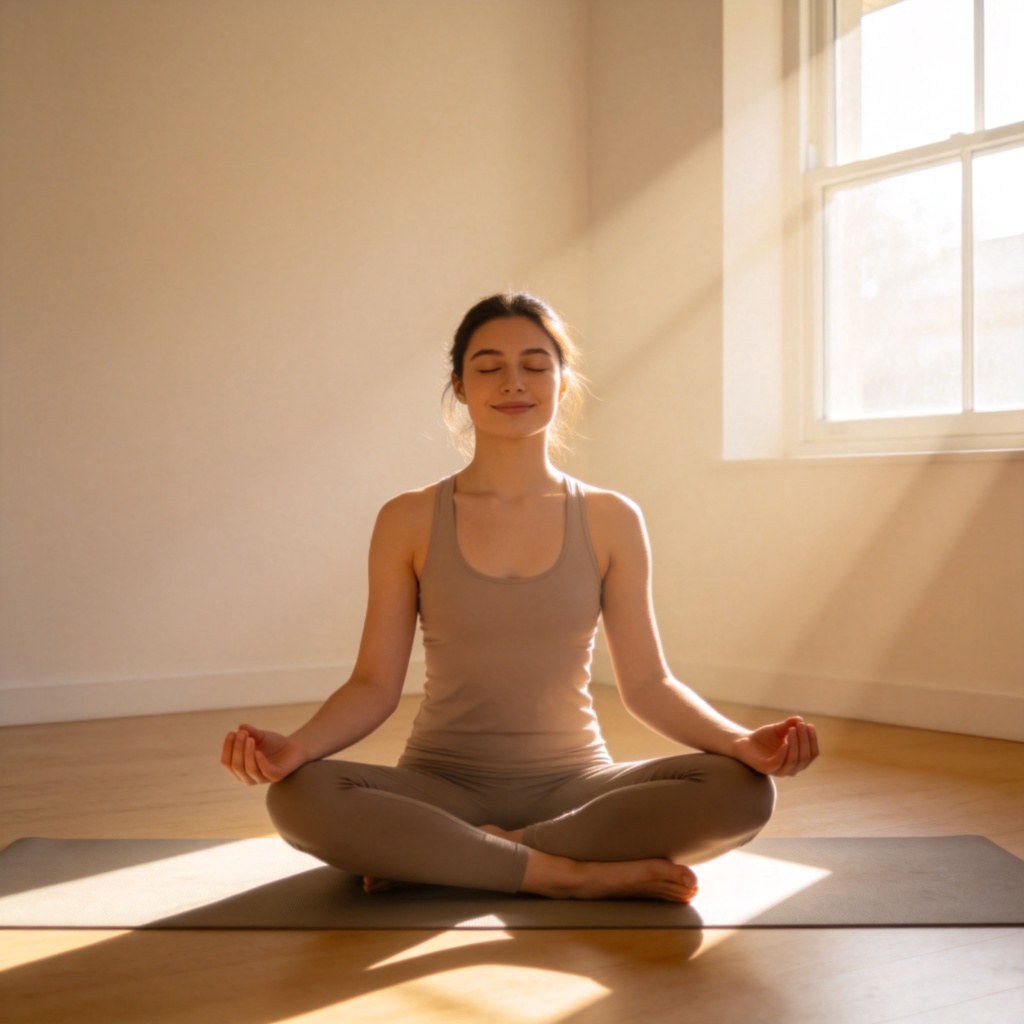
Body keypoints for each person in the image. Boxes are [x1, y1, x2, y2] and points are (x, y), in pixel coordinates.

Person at [221, 292, 819, 903]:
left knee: (741, 790)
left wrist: (741, 743)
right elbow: (374, 684)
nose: (513, 383)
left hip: (577, 785)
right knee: (298, 796)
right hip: (439, 783)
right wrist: (296, 749)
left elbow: (648, 685)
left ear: (563, 382)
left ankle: (461, 854)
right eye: (488, 367)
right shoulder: (407, 519)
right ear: (459, 385)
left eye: (535, 365)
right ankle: (566, 872)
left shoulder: (612, 518)